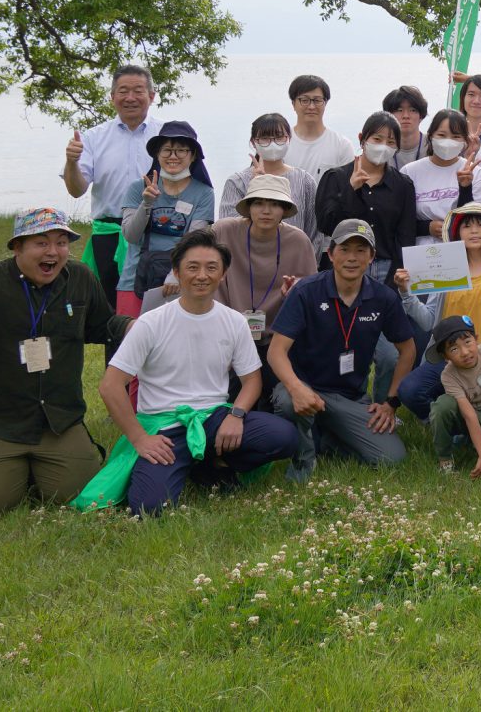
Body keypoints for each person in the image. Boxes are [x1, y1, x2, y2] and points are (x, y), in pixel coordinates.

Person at [0, 208, 134, 517]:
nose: (53, 252)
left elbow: (103, 325)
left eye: (61, 242)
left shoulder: (80, 278)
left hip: (58, 421)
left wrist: (137, 327)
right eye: (41, 243)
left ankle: (32, 468)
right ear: (17, 247)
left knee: (83, 496)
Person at [80, 232, 299, 515]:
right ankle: (186, 465)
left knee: (284, 436)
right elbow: (111, 386)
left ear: (223, 274)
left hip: (214, 418)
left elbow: (251, 380)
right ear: (177, 271)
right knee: (149, 508)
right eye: (192, 267)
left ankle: (210, 464)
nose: (202, 276)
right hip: (164, 427)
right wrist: (140, 439)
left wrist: (236, 415)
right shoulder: (151, 323)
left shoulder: (234, 321)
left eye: (211, 268)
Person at [265, 218, 417, 481]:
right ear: (331, 254)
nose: (352, 258)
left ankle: (326, 436)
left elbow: (408, 350)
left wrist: (391, 402)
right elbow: (276, 351)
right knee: (289, 402)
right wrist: (296, 387)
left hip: (349, 397)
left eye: (361, 250)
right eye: (344, 249)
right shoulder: (306, 291)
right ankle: (304, 460)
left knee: (392, 458)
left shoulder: (384, 298)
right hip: (305, 388)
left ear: (372, 256)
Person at [395, 200, 481, 419]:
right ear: (457, 233)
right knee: (409, 390)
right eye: (467, 226)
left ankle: (472, 423)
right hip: (448, 357)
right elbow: (428, 321)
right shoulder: (446, 268)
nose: (474, 231)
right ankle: (449, 425)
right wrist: (405, 292)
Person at [63, 64, 163, 297]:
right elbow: (76, 190)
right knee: (108, 302)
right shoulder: (93, 137)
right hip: (109, 234)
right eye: (123, 91)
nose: (130, 98)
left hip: (155, 232)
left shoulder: (166, 134)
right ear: (112, 97)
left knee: (154, 302)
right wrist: (71, 162)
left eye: (138, 91)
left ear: (151, 96)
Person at [121, 120, 216, 312]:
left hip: (180, 281)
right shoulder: (138, 188)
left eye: (181, 150)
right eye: (167, 150)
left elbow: (196, 239)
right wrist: (146, 203)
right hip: (135, 279)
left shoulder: (204, 193)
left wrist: (176, 272)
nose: (173, 156)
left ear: (193, 155)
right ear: (157, 154)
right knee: (130, 330)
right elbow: (131, 235)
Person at [314, 113, 420, 284]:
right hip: (343, 264)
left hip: (386, 268)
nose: (383, 146)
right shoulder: (335, 177)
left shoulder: (403, 185)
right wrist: (350, 190)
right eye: (377, 139)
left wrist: (396, 277)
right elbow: (326, 225)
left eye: (391, 142)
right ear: (362, 139)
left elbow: (406, 236)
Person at [210, 173, 314, 344]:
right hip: (224, 329)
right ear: (249, 207)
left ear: (284, 209)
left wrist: (295, 288)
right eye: (258, 203)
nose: (266, 211)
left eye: (275, 204)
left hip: (279, 335)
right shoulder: (223, 230)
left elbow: (310, 288)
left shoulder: (299, 240)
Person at [218, 112, 321, 246]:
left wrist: (306, 257)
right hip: (247, 256)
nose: (273, 143)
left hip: (294, 255)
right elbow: (229, 231)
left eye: (279, 137)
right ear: (253, 142)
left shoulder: (305, 181)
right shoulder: (237, 182)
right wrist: (256, 188)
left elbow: (314, 232)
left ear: (289, 139)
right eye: (265, 138)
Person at [424, 314, 481, 475]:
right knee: (442, 406)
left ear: (476, 339)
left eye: (468, 342)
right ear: (445, 357)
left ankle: (479, 444)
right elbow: (469, 414)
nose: (464, 352)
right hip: (470, 411)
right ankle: (445, 458)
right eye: (454, 349)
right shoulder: (448, 375)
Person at [400, 108, 481, 244]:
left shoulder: (476, 173)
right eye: (442, 135)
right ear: (430, 136)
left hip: (461, 250)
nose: (448, 142)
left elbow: (476, 221)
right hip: (418, 251)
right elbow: (400, 220)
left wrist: (465, 187)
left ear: (465, 140)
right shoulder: (409, 172)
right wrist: (427, 227)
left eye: (456, 137)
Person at [283, 74, 358, 176]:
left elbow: (348, 183)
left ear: (325, 103)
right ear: (293, 104)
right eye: (304, 100)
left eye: (317, 100)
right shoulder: (281, 143)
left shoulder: (342, 145)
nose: (311, 106)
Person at [384, 84, 429, 168]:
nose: (406, 116)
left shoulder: (433, 145)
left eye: (412, 110)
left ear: (421, 116)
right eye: (399, 110)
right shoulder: (381, 148)